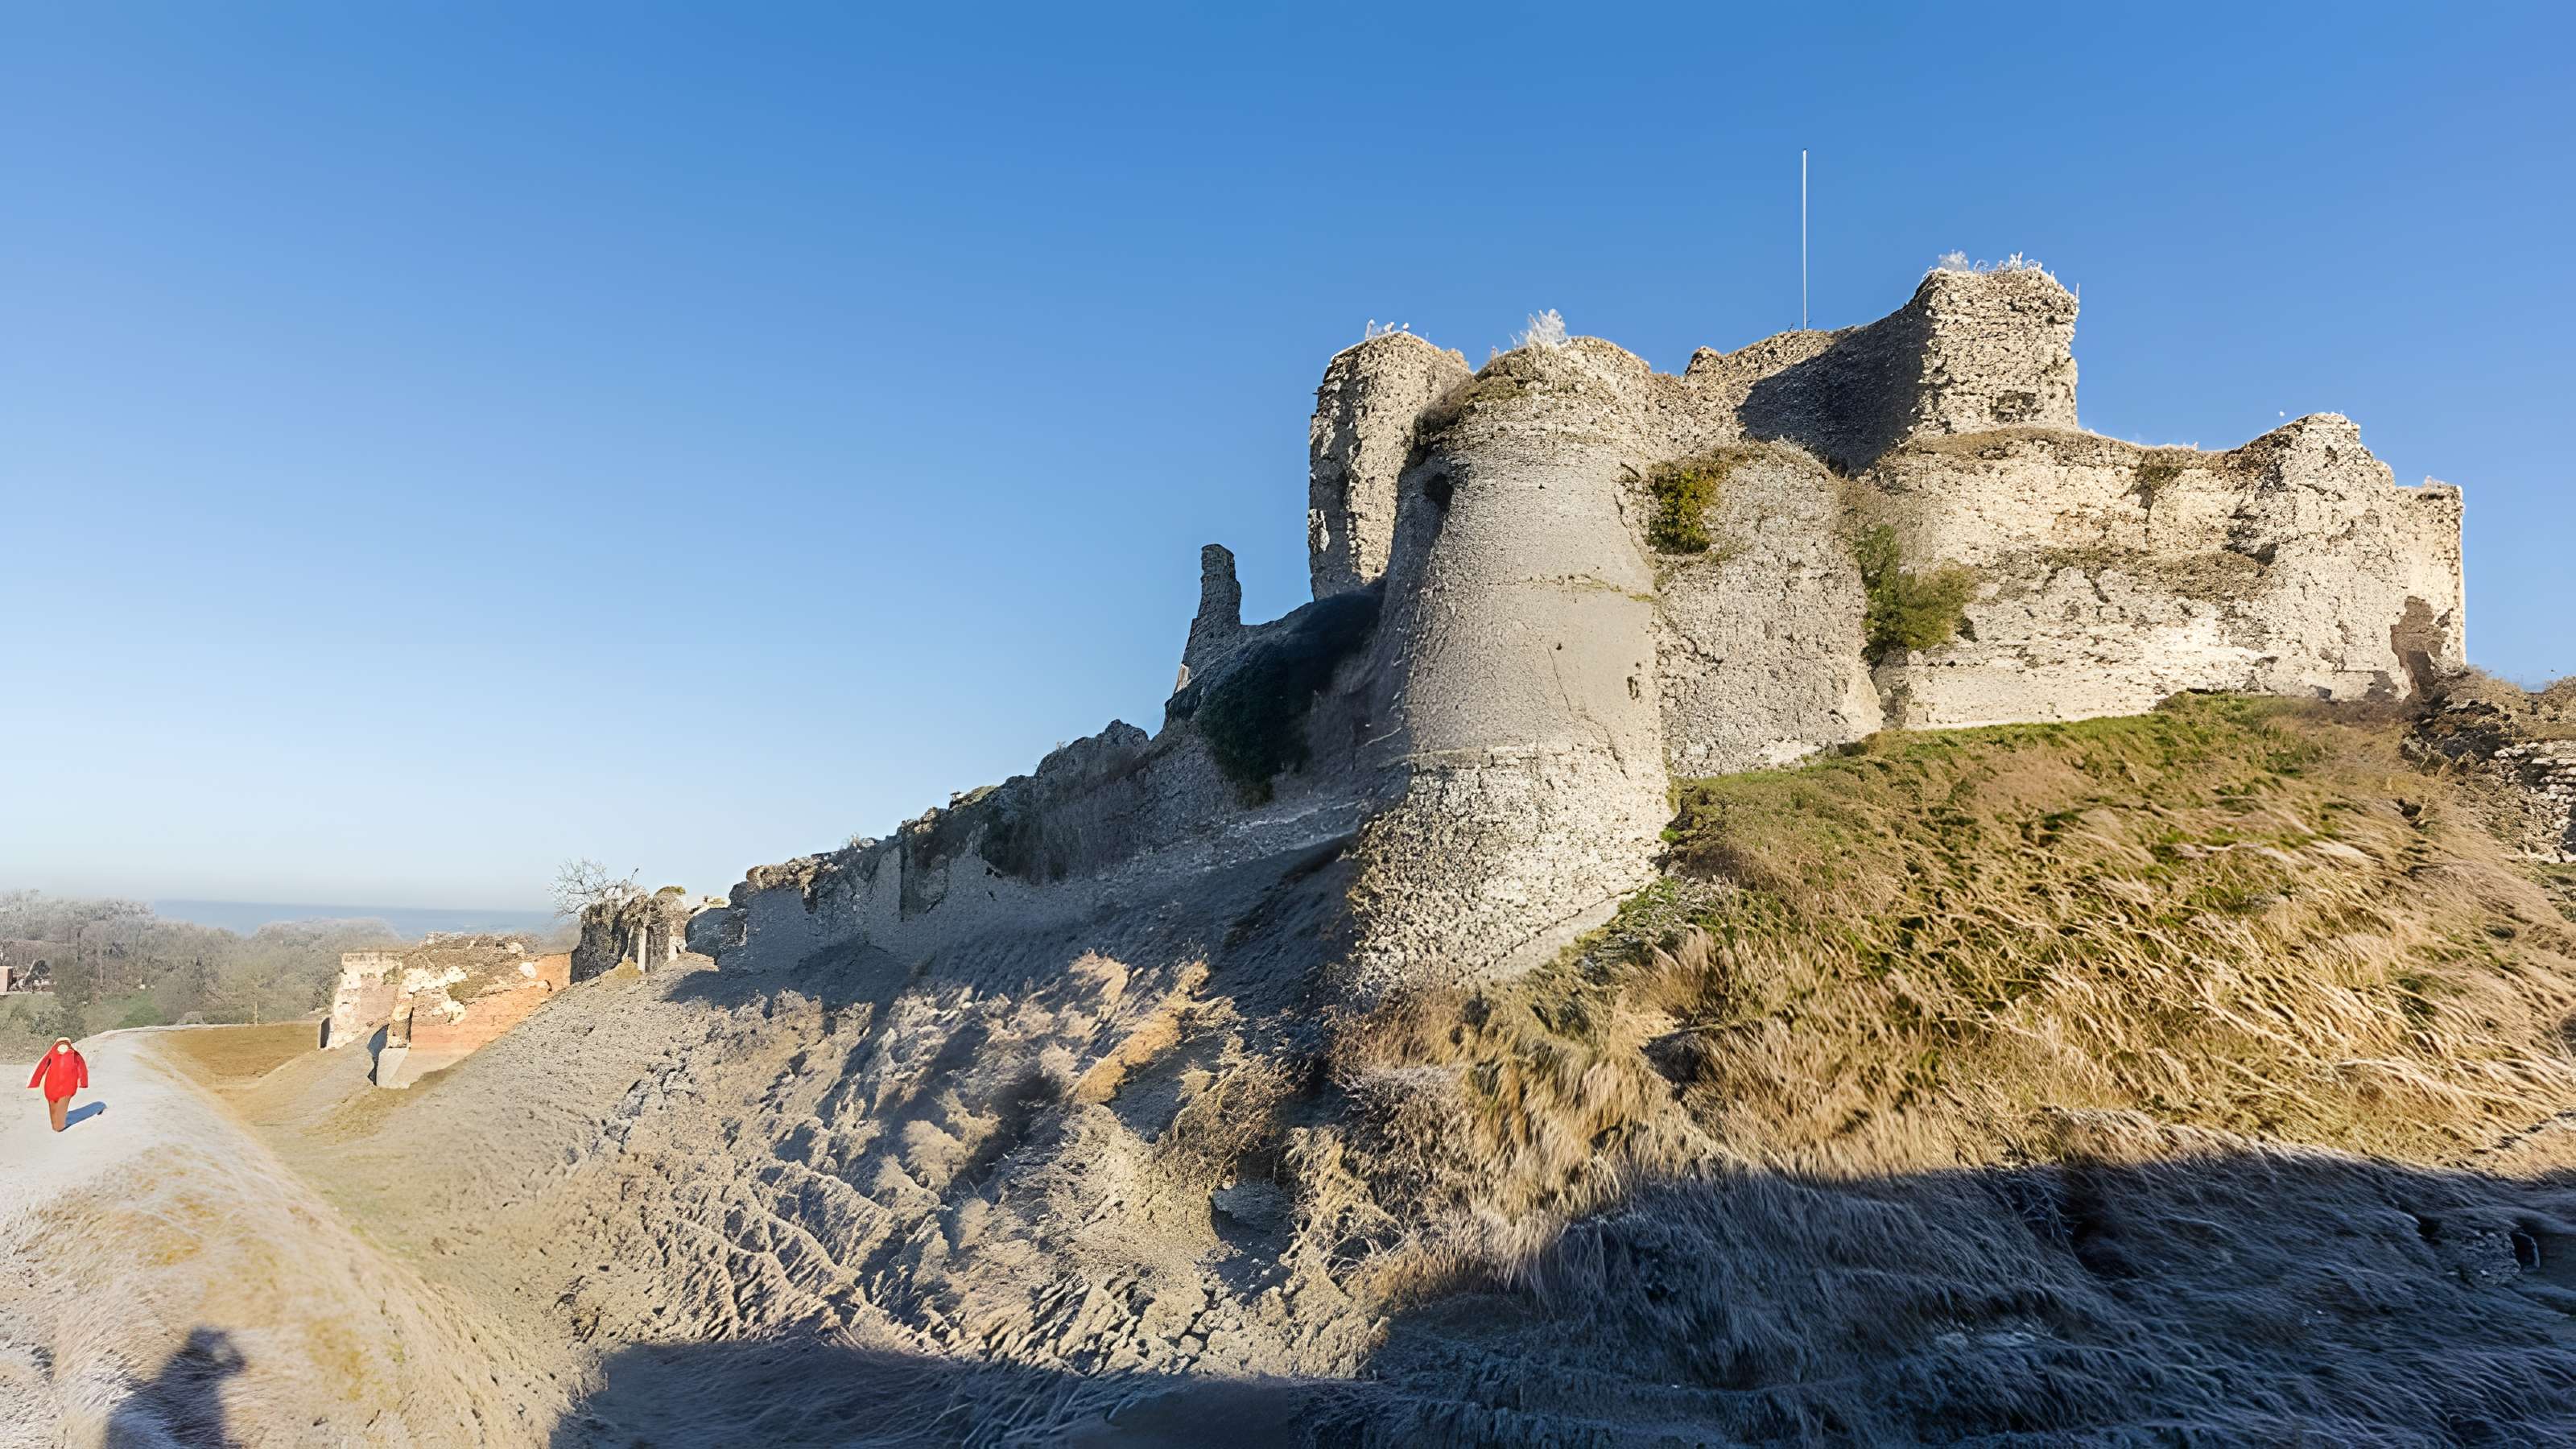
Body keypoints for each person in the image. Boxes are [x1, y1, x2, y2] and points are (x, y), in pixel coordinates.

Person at [27, 1038, 89, 1133]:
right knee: (61, 1110)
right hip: (67, 1087)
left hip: (51, 1086)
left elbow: (41, 1067)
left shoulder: (51, 1053)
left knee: (53, 1108)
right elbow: (82, 1068)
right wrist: (83, 1083)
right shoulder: (74, 1054)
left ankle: (55, 1126)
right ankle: (59, 1127)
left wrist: (34, 1083)